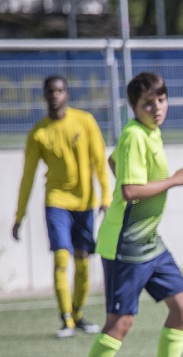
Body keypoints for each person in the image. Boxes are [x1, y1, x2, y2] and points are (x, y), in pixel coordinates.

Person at [58, 72, 183, 357]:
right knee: (120, 322)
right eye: (147, 103)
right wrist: (175, 180)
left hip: (149, 241)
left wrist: (120, 165)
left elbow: (112, 163)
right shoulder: (135, 134)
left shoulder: (147, 132)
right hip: (126, 244)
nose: (156, 108)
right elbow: (131, 191)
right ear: (134, 107)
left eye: (161, 100)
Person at [13, 75, 112, 338]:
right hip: (56, 201)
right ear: (45, 96)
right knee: (61, 257)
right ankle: (66, 319)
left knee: (82, 262)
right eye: (50, 91)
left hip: (85, 203)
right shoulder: (39, 133)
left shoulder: (85, 121)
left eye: (59, 90)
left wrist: (105, 197)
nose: (55, 95)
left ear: (66, 94)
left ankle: (78, 314)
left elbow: (100, 162)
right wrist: (19, 215)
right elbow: (28, 176)